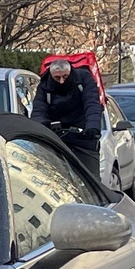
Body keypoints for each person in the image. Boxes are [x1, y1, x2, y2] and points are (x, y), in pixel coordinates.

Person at [34, 56, 105, 185]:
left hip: (83, 133)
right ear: (51, 75)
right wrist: (42, 126)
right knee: (52, 179)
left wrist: (93, 127)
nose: (61, 81)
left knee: (92, 179)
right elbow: (39, 110)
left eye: (65, 77)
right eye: (57, 78)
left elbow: (92, 103)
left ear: (71, 72)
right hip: (57, 135)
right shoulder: (44, 86)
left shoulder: (83, 79)